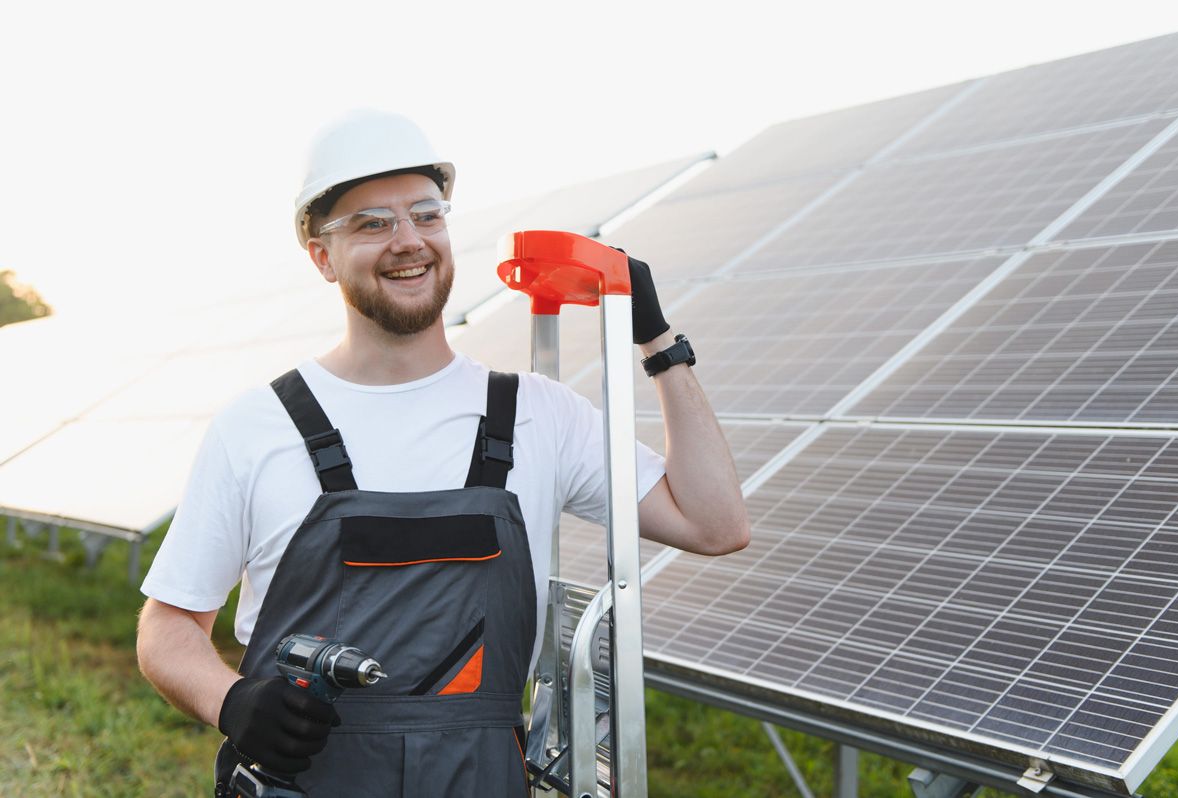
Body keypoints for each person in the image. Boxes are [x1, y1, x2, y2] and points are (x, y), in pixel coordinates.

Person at [135, 109, 749, 797]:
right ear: (321, 255)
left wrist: (659, 342)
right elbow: (167, 628)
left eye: (426, 215)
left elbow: (715, 522)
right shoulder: (257, 427)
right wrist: (231, 702)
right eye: (372, 223)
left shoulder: (539, 415)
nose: (408, 242)